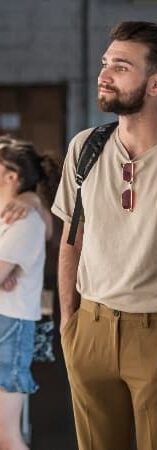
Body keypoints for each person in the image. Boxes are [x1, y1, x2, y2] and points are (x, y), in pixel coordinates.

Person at [52, 21, 157, 450]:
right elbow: (72, 238)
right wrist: (69, 324)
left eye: (121, 67)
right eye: (106, 63)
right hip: (90, 328)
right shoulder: (84, 147)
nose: (104, 74)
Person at [0, 136, 59, 450]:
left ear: (12, 176)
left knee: (6, 437)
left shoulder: (26, 219)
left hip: (9, 327)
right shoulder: (11, 213)